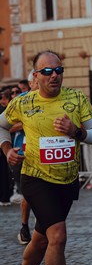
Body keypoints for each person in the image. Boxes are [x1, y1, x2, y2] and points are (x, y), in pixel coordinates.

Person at [0, 50, 92, 265]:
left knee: (41, 239)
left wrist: (76, 131)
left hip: (67, 180)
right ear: (36, 76)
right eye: (47, 71)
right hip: (36, 178)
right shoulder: (23, 102)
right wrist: (7, 150)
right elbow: (1, 125)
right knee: (57, 235)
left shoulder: (76, 99)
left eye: (58, 70)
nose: (53, 75)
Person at [10, 70, 37, 245]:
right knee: (29, 195)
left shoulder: (55, 99)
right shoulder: (22, 101)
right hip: (23, 155)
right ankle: (25, 226)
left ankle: (44, 227)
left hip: (44, 157)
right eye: (36, 79)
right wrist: (26, 123)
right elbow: (7, 127)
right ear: (31, 82)